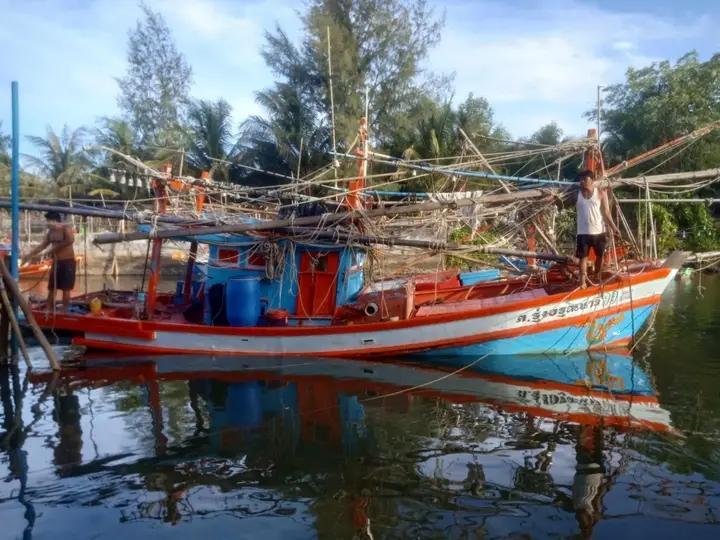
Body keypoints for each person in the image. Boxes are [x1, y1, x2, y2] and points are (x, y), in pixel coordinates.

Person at [576, 170, 621, 288]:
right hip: (583, 232)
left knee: (600, 255)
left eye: (585, 179)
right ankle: (582, 282)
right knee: (583, 258)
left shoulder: (600, 193)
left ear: (592, 180)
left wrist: (614, 228)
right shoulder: (577, 193)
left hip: (599, 231)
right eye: (580, 180)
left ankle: (597, 276)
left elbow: (606, 212)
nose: (582, 182)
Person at [24, 211, 76, 311]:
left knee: (66, 288)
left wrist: (52, 250)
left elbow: (70, 240)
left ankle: (64, 310)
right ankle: (49, 308)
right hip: (56, 262)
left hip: (67, 262)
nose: (47, 223)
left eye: (48, 221)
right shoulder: (50, 232)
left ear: (54, 221)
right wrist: (30, 254)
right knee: (52, 287)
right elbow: (42, 245)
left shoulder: (65, 229)